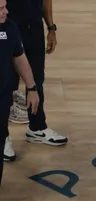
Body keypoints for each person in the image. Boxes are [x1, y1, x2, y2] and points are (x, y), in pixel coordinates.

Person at [4, 0, 66, 160]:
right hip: (9, 28)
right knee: (7, 84)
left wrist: (51, 27)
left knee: (37, 79)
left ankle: (37, 127)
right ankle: (3, 136)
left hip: (35, 27)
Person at [1, 0, 39, 186]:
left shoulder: (9, 28)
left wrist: (31, 88)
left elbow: (20, 57)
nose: (6, 11)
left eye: (5, 6)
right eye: (0, 8)